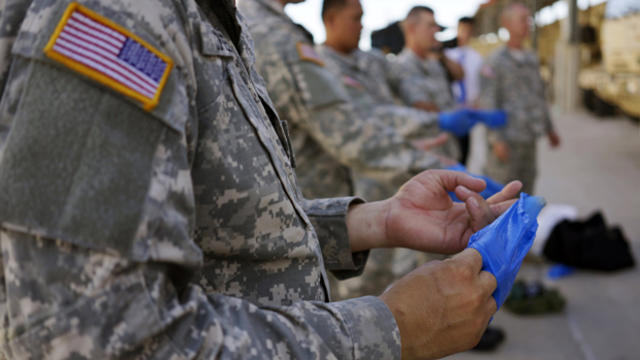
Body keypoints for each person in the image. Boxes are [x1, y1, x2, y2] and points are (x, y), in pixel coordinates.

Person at [0, 1, 522, 359]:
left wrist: (372, 221)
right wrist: (394, 328)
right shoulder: (124, 12)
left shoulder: (214, 18)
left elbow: (205, 226)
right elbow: (88, 336)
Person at [238, 0, 444, 201]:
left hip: (341, 193)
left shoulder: (272, 26)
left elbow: (400, 77)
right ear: (332, 19)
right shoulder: (273, 34)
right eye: (356, 18)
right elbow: (344, 127)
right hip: (317, 198)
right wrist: (429, 164)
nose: (361, 25)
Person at [479, 3, 561, 195]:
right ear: (507, 24)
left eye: (529, 19)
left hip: (528, 138)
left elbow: (539, 96)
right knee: (501, 192)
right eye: (523, 20)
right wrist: (496, 140)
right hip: (507, 141)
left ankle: (524, 226)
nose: (528, 24)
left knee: (526, 190)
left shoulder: (531, 58)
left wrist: (550, 129)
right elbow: (488, 103)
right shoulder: (495, 61)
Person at [394, 7, 470, 162]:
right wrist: (454, 115)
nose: (436, 31)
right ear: (412, 29)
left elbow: (460, 75)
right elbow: (420, 105)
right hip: (427, 157)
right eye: (430, 25)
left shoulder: (434, 64)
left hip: (449, 150)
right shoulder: (402, 66)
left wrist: (440, 53)